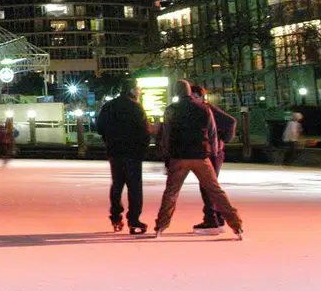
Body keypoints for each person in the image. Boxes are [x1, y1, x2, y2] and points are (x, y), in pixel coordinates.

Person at [152, 79, 243, 239]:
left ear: (175, 92)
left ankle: (161, 225)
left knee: (171, 193)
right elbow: (212, 132)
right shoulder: (203, 109)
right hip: (201, 155)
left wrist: (166, 154)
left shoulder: (172, 110)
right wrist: (213, 152)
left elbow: (166, 135)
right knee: (215, 191)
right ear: (189, 92)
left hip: (179, 156)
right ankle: (236, 226)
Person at [95, 78, 151, 234]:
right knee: (134, 187)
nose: (139, 92)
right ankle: (133, 219)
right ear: (132, 90)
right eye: (138, 89)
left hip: (114, 151)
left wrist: (109, 139)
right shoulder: (136, 107)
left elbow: (99, 128)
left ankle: (115, 216)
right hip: (133, 153)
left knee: (117, 184)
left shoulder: (109, 106)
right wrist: (143, 149)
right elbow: (144, 131)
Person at [191, 85, 237, 234]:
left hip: (213, 153)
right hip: (211, 151)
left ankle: (212, 220)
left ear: (198, 96)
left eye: (192, 96)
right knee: (209, 186)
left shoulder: (207, 109)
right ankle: (216, 218)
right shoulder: (201, 110)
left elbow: (231, 121)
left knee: (208, 186)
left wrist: (221, 141)